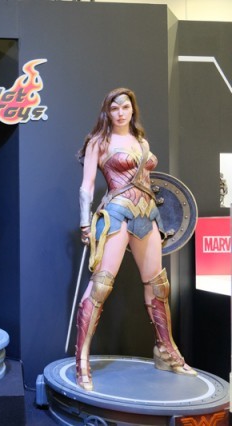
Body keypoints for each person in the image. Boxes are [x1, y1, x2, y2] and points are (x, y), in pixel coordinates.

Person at [75, 87, 196, 391]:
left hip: (147, 214)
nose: (120, 113)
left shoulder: (141, 142)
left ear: (132, 109)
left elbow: (147, 181)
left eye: (125, 107)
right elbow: (87, 186)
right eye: (114, 108)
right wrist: (84, 222)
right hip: (117, 213)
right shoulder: (98, 142)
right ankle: (82, 360)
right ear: (107, 111)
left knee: (158, 286)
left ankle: (166, 351)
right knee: (101, 286)